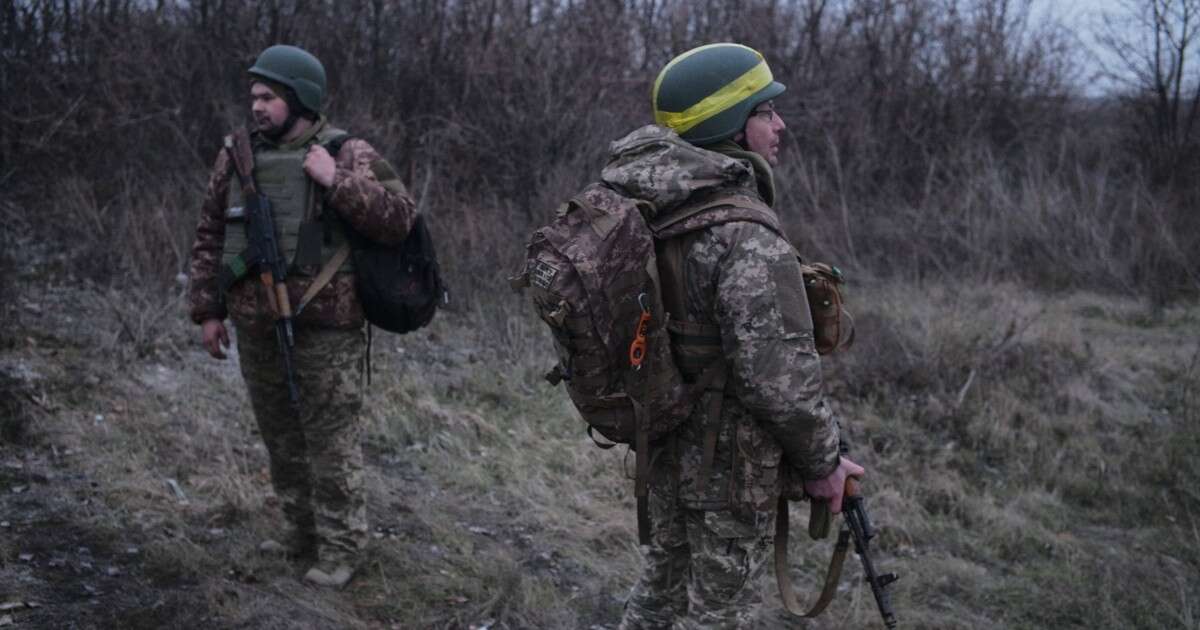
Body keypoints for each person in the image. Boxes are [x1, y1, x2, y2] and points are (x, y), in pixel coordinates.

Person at [612, 43, 866, 628]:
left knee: (658, 594)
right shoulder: (744, 233)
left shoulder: (649, 202)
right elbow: (777, 377)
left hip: (664, 440)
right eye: (764, 111)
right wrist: (824, 461)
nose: (779, 125)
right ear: (731, 123)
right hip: (728, 468)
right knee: (718, 611)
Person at [186, 44, 415, 588]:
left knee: (331, 443)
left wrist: (335, 180)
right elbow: (210, 233)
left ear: (300, 98)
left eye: (269, 97)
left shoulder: (347, 151)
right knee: (281, 437)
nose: (258, 107)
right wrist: (207, 310)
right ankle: (299, 534)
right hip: (255, 321)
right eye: (254, 97)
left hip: (327, 327)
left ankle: (341, 548)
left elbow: (401, 219)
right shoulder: (237, 154)